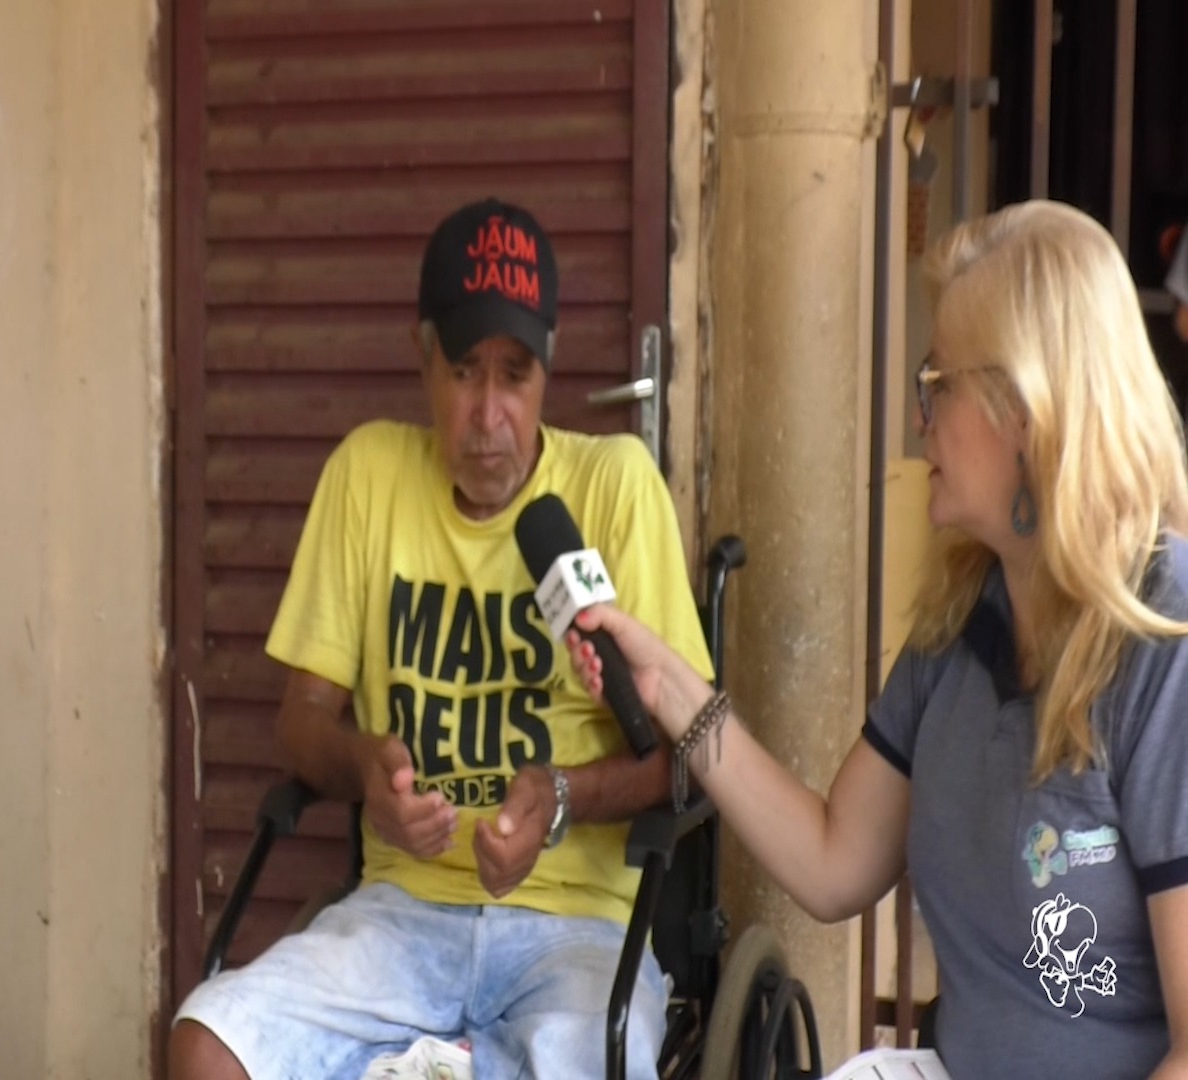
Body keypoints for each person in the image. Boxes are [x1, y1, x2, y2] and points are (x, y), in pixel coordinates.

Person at [568, 200, 1188, 1080]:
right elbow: (834, 861)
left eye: (939, 385)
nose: (917, 419)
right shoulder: (968, 613)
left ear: (1029, 408)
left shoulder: (1166, 637)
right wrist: (669, 689)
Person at [168, 197, 713, 1080]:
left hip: (576, 930)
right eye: (465, 372)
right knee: (208, 1047)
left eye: (516, 374)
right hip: (400, 915)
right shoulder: (367, 476)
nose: (490, 413)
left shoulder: (614, 489)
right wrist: (363, 772)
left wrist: (562, 798)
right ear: (423, 359)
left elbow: (683, 757)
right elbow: (301, 718)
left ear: (548, 370)